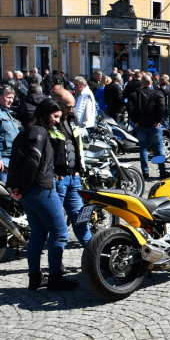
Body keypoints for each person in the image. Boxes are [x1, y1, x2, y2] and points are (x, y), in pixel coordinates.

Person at [6, 99, 78, 291]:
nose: (57, 121)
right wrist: (23, 188)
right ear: (45, 114)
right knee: (60, 233)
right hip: (40, 190)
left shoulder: (29, 131)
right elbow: (33, 162)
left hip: (30, 193)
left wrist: (19, 189)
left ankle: (35, 278)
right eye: (55, 117)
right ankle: (55, 277)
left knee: (38, 235)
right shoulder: (38, 132)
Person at [53, 90, 91, 246]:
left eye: (72, 106)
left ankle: (93, 253)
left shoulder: (72, 119)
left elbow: (77, 146)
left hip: (73, 178)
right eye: (68, 107)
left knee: (81, 218)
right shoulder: (49, 123)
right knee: (57, 224)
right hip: (58, 180)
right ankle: (55, 265)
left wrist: (79, 169)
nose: (71, 110)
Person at [126, 73, 168, 180]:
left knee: (143, 148)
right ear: (151, 82)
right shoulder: (157, 93)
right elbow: (162, 107)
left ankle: (145, 171)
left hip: (141, 124)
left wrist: (135, 120)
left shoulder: (134, 95)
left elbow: (130, 109)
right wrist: (158, 120)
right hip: (154, 125)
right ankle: (162, 170)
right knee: (158, 148)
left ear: (142, 83)